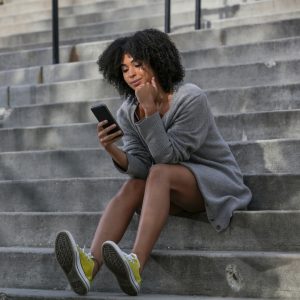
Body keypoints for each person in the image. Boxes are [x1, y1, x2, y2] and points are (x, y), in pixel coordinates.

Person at [54, 28, 252, 296]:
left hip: (215, 184)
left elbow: (168, 157)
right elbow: (142, 167)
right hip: (170, 188)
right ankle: (90, 264)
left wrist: (149, 113)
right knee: (134, 186)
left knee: (160, 172)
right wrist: (113, 149)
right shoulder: (128, 110)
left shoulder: (190, 98)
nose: (131, 74)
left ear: (157, 61)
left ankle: (135, 264)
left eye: (137, 64)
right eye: (124, 69)